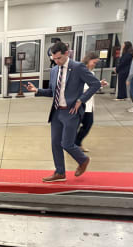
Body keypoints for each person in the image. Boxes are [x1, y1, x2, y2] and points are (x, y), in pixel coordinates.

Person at [25, 42, 100, 183]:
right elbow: (53, 92)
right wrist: (37, 91)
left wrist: (81, 100)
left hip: (71, 111)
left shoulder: (78, 67)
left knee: (67, 143)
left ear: (67, 53)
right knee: (55, 143)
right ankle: (60, 172)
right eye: (54, 59)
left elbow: (95, 84)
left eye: (59, 58)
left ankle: (83, 160)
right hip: (57, 112)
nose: (57, 61)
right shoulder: (54, 71)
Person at [75, 52, 108, 152]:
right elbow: (83, 88)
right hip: (80, 103)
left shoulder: (91, 73)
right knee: (76, 125)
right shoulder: (80, 72)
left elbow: (92, 87)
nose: (95, 64)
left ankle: (77, 143)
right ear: (88, 60)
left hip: (88, 104)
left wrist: (99, 84)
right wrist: (97, 84)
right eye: (94, 62)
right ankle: (74, 144)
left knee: (88, 124)